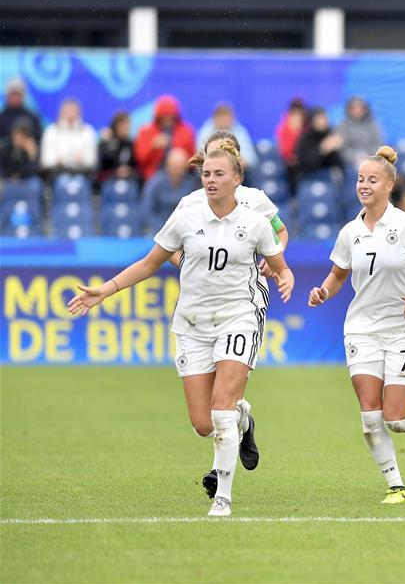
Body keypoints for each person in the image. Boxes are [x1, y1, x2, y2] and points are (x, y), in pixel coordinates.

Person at [68, 141, 295, 517]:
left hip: (238, 316)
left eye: (219, 174)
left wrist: (284, 276)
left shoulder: (255, 219)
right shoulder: (187, 214)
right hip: (192, 323)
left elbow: (279, 260)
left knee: (221, 411)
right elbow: (148, 263)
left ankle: (223, 496)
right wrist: (105, 291)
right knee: (204, 424)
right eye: (206, 173)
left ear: (236, 178)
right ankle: (244, 418)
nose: (210, 180)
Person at [308, 146, 405, 504]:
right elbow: (337, 274)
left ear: (389, 185)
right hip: (361, 329)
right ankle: (396, 486)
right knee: (370, 416)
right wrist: (324, 292)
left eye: (372, 180)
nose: (364, 185)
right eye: (360, 179)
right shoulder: (349, 232)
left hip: (403, 330)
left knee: (397, 420)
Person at [174, 131, 290, 497]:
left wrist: (275, 262)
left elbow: (280, 232)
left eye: (226, 157)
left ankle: (218, 477)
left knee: (225, 394)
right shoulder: (191, 203)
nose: (214, 171)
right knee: (206, 420)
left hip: (246, 296)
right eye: (211, 160)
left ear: (237, 165)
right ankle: (243, 419)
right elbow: (171, 248)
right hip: (202, 305)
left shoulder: (255, 201)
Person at [134, 94, 196, 181]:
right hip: (154, 175)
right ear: (158, 117)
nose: (168, 120)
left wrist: (180, 158)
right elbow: (140, 159)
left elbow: (193, 159)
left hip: (182, 176)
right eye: (164, 117)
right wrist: (153, 146)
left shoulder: (186, 131)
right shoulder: (146, 131)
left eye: (171, 117)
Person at [141, 148, 197, 232]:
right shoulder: (155, 183)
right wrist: (163, 229)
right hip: (158, 230)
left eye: (181, 164)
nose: (179, 168)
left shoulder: (192, 184)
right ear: (168, 165)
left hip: (185, 230)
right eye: (175, 165)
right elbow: (146, 210)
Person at [39, 98, 97, 176]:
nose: (70, 114)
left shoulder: (88, 131)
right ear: (61, 112)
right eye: (68, 111)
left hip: (82, 174)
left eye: (73, 111)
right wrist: (57, 160)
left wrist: (81, 160)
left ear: (79, 113)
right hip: (57, 174)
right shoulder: (51, 131)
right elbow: (46, 161)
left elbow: (91, 161)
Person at [197, 102, 258, 169]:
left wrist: (228, 167)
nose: (223, 120)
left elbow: (249, 159)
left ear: (232, 118)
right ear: (214, 118)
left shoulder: (240, 131)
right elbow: (201, 157)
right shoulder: (206, 130)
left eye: (226, 116)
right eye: (220, 116)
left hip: (237, 170)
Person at [295, 107, 343, 183]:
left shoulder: (332, 134)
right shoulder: (305, 138)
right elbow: (304, 163)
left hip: (330, 178)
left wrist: (340, 149)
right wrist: (322, 150)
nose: (323, 121)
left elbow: (338, 163)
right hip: (310, 178)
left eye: (324, 117)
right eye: (319, 118)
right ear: (313, 121)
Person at [336, 96, 383, 168]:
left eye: (360, 108)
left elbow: (379, 143)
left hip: (372, 160)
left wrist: (369, 156)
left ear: (365, 109)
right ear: (348, 110)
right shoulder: (343, 126)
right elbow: (342, 149)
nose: (357, 111)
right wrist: (356, 156)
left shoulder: (373, 124)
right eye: (353, 108)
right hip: (351, 164)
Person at [0, 78, 42, 146]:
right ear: (7, 95)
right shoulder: (1, 118)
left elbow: (38, 142)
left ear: (23, 95)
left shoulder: (32, 117)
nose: (15, 98)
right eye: (13, 94)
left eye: (18, 94)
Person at [97, 111, 137, 183]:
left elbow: (135, 164)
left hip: (128, 178)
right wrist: (105, 142)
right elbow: (103, 163)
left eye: (127, 124)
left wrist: (128, 170)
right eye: (122, 125)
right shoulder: (108, 142)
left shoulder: (130, 143)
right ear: (115, 126)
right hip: (109, 178)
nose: (125, 128)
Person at [275, 98, 307, 187]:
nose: (297, 116)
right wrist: (294, 132)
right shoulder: (284, 128)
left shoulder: (307, 127)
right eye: (295, 113)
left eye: (299, 113)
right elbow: (286, 151)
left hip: (306, 163)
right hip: (291, 166)